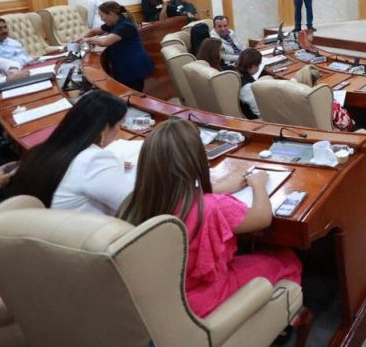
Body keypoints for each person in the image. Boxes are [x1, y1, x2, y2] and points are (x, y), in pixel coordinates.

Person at [118, 118, 302, 319]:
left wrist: (221, 187)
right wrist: (258, 184)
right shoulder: (211, 207)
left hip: (163, 298)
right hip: (203, 298)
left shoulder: (136, 201)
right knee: (286, 259)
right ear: (196, 160)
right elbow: (262, 217)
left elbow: (178, 194)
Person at [10, 90, 134, 215]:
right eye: (119, 124)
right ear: (104, 128)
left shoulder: (41, 150)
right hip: (81, 226)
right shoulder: (93, 161)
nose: (119, 130)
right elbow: (134, 206)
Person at [77, 2, 154, 92]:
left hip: (133, 66)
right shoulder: (113, 23)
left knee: (132, 93)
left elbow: (104, 42)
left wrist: (88, 39)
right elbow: (94, 31)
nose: (102, 19)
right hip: (125, 65)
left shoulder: (124, 26)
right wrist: (80, 38)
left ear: (111, 14)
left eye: (102, 16)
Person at [235, 48, 262, 119]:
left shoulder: (235, 74)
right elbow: (258, 112)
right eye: (259, 65)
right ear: (253, 66)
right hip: (253, 119)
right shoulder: (248, 87)